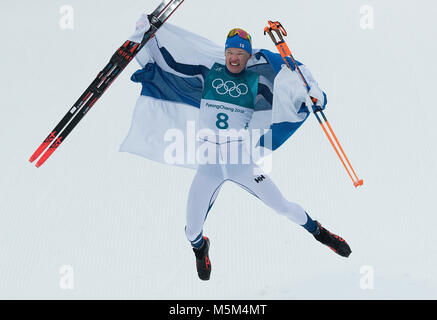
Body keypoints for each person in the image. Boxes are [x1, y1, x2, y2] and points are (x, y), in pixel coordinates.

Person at [185, 28, 351, 281]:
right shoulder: (211, 72)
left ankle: (320, 232)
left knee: (282, 206)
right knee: (191, 231)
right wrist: (147, 40)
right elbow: (176, 63)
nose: (233, 57)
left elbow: (292, 87)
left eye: (240, 53)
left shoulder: (257, 81)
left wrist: (313, 97)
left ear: (248, 56)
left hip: (241, 164)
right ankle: (200, 249)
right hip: (208, 167)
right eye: (229, 51)